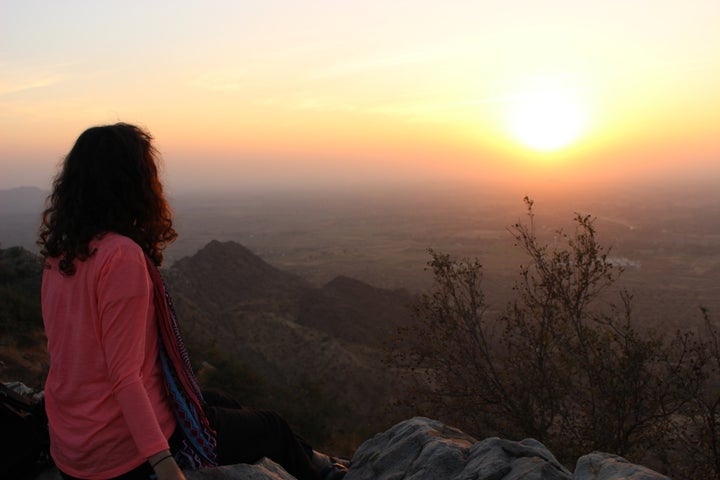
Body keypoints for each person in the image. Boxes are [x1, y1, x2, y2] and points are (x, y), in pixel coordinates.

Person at [38, 123, 348, 480]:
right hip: (117, 451)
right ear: (134, 182)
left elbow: (63, 351)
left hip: (74, 444)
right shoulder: (120, 256)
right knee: (271, 426)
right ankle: (327, 473)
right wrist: (163, 463)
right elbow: (124, 376)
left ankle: (317, 459)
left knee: (220, 400)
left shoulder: (61, 253)